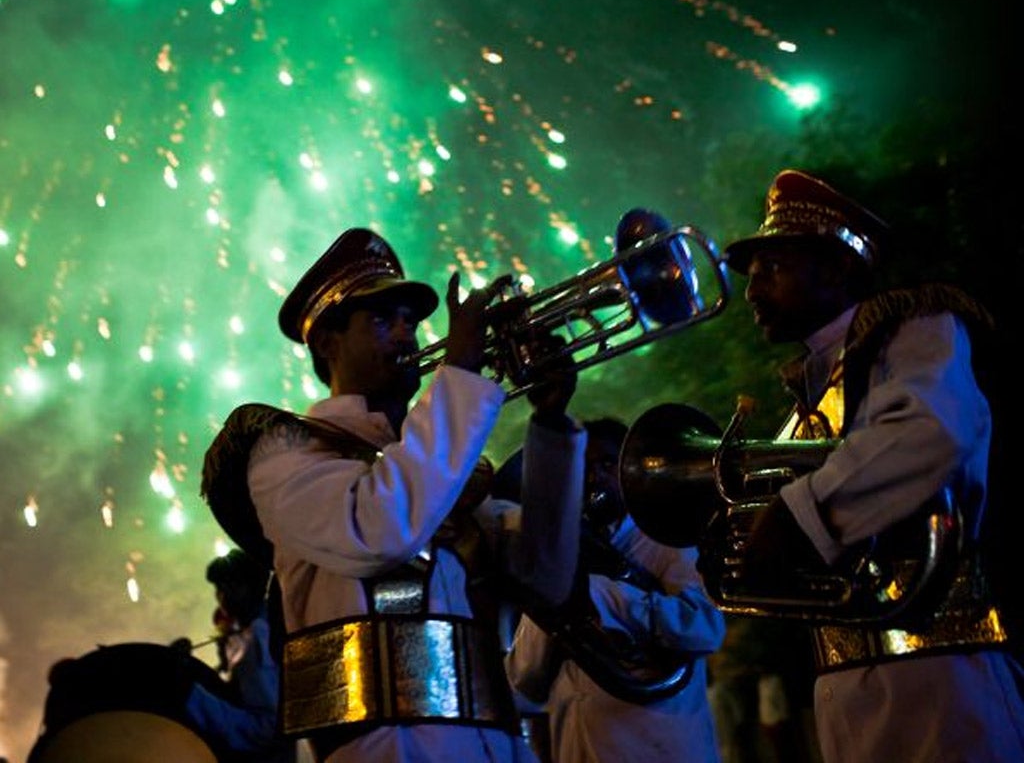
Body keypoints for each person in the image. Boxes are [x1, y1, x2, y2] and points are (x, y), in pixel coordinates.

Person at [200, 227, 587, 763]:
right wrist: (460, 374)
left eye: (411, 319)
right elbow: (378, 530)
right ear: (326, 343)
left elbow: (547, 580)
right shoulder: (286, 452)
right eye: (382, 319)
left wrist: (550, 424)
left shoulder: (437, 461)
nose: (406, 333)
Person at [720, 168, 1023, 763]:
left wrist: (796, 513)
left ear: (835, 268)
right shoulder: (808, 389)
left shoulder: (915, 327)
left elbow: (928, 430)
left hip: (940, 677)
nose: (752, 292)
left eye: (772, 269)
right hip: (845, 682)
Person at [504, 416, 726, 763]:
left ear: (630, 471)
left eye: (607, 463)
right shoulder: (563, 556)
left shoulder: (666, 540)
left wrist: (605, 596)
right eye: (583, 467)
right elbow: (523, 678)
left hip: (659, 748)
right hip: (578, 746)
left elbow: (705, 629)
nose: (595, 477)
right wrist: (551, 599)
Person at [182, 549, 298, 763]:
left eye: (233, 585)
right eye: (219, 587)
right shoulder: (243, 632)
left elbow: (269, 726)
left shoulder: (259, 636)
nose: (223, 595)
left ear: (253, 586)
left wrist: (192, 696)